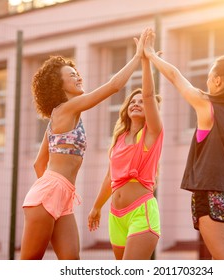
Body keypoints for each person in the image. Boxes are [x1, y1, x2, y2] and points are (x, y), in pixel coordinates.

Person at [20, 29, 148, 260]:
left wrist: (59, 190)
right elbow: (113, 86)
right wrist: (138, 57)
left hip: (63, 197)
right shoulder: (66, 109)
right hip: (48, 194)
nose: (78, 76)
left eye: (77, 72)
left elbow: (40, 163)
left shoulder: (59, 119)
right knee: (30, 262)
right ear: (59, 85)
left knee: (72, 263)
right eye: (72, 74)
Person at [143, 28, 224, 260]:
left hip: (212, 197)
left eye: (210, 75)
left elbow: (174, 75)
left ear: (218, 81)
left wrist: (150, 54)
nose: (207, 80)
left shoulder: (205, 106)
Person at [88, 53, 163, 260]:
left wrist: (146, 62)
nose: (136, 103)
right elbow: (109, 177)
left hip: (141, 213)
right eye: (132, 101)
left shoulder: (151, 135)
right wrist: (96, 207)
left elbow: (149, 96)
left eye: (141, 102)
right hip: (116, 216)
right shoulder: (119, 138)